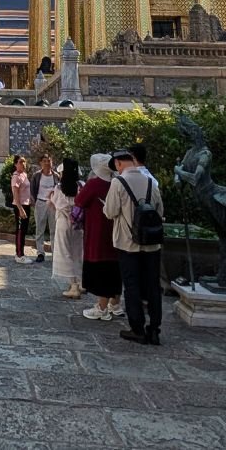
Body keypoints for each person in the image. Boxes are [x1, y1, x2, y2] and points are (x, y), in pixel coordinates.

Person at [104, 148, 165, 346]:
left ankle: (137, 328)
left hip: (128, 243)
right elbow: (160, 210)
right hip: (151, 244)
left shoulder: (118, 182)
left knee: (132, 286)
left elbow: (111, 211)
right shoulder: (150, 181)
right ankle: (154, 329)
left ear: (119, 164)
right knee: (153, 286)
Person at [75, 153, 123, 321]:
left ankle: (101, 307)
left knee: (102, 267)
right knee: (115, 266)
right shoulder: (118, 183)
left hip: (97, 231)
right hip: (117, 232)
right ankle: (115, 303)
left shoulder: (94, 184)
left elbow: (79, 201)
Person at [50, 157, 84, 298]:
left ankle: (73, 285)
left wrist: (50, 198)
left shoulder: (59, 188)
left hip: (64, 222)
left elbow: (56, 205)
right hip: (78, 223)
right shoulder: (81, 185)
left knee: (65, 253)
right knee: (78, 252)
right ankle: (81, 281)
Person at [30, 154, 58, 263]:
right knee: (40, 229)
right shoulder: (37, 176)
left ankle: (55, 253)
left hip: (53, 204)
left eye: (49, 161)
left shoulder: (56, 176)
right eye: (45, 161)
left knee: (54, 229)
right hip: (40, 202)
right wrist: (34, 200)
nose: (47, 163)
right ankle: (40, 253)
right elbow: (33, 189)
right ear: (41, 163)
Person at [9, 155, 33, 265]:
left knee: (23, 230)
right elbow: (15, 194)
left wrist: (32, 200)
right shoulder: (16, 176)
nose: (23, 164)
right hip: (20, 206)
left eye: (24, 162)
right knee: (20, 231)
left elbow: (27, 190)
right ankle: (19, 255)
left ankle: (21, 253)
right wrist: (20, 209)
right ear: (15, 164)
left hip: (26, 204)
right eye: (20, 162)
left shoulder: (24, 175)